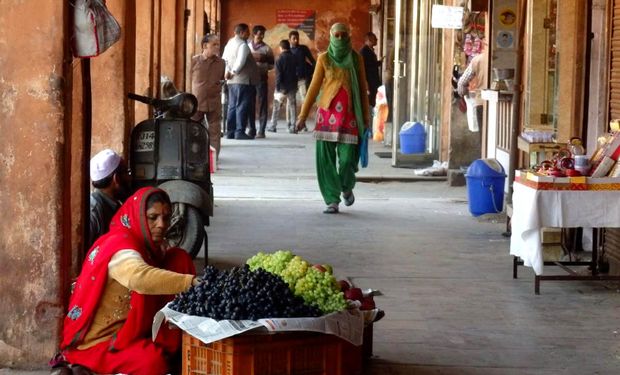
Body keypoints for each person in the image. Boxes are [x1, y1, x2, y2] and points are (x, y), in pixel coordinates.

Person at [51, 187, 200, 375]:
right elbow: (139, 277)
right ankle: (87, 366)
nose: (162, 224)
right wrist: (191, 282)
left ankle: (166, 343)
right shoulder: (122, 248)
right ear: (137, 217)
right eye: (153, 217)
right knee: (153, 364)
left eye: (166, 217)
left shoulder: (151, 248)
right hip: (103, 341)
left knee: (178, 258)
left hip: (130, 330)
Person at [295, 23, 370, 214]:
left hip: (350, 117)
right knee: (325, 160)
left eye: (343, 35)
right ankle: (331, 199)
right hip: (326, 117)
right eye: (335, 35)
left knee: (347, 160)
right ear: (330, 36)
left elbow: (362, 88)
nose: (339, 38)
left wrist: (366, 118)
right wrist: (303, 115)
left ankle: (346, 186)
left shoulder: (355, 58)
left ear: (348, 36)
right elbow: (313, 88)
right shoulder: (324, 58)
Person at [190, 34, 226, 157]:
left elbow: (221, 79)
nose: (217, 47)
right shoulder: (194, 61)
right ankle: (194, 155)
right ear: (205, 46)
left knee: (215, 131)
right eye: (214, 44)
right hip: (196, 102)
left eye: (218, 44)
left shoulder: (221, 63)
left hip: (214, 102)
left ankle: (213, 158)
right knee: (193, 129)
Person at [88, 149, 131, 250]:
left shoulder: (116, 204)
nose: (130, 178)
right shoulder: (93, 212)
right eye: (126, 173)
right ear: (116, 179)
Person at [222, 23, 257, 140]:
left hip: (231, 81)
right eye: (247, 32)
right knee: (242, 105)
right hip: (243, 80)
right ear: (241, 33)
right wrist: (233, 72)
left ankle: (230, 132)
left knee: (232, 106)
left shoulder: (229, 44)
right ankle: (239, 132)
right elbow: (240, 62)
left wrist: (227, 72)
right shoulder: (243, 45)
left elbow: (224, 60)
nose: (249, 34)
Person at [247, 25, 274, 138]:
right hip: (249, 79)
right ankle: (251, 129)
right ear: (254, 34)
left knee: (262, 104)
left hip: (262, 79)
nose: (261, 36)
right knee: (249, 104)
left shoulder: (267, 49)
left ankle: (261, 130)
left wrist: (263, 64)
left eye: (263, 34)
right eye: (259, 34)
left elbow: (272, 65)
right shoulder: (247, 46)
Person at [269, 40, 298, 134]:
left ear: (280, 48)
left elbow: (278, 75)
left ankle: (273, 126)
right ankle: (293, 127)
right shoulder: (294, 57)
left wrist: (277, 88)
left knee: (276, 106)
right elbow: (297, 72)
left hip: (282, 86)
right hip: (292, 85)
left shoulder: (279, 59)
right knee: (292, 106)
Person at [457, 47, 487, 132]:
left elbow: (461, 83)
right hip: (501, 104)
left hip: (481, 102)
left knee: (483, 134)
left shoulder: (477, 60)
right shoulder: (504, 58)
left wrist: (464, 95)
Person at [289, 30, 315, 105]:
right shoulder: (287, 50)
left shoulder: (303, 48)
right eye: (294, 38)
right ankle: (291, 117)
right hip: (291, 79)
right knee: (291, 100)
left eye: (297, 38)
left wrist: (314, 71)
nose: (296, 40)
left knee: (304, 98)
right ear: (289, 39)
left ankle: (303, 116)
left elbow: (312, 61)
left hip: (303, 77)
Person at [359, 32, 381, 108]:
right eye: (375, 39)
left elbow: (371, 64)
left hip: (374, 80)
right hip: (369, 81)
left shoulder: (370, 50)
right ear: (369, 40)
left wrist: (379, 62)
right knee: (370, 102)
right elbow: (363, 68)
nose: (376, 40)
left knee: (375, 100)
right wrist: (366, 82)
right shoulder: (364, 51)